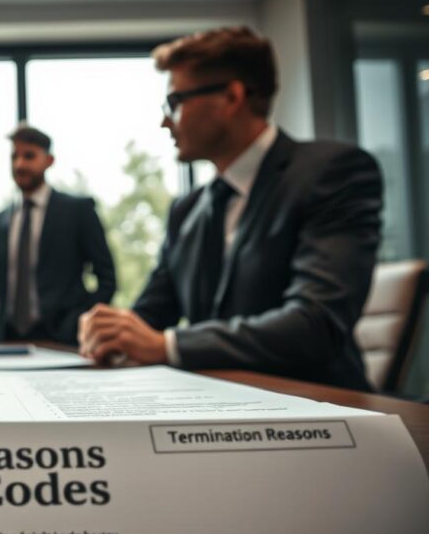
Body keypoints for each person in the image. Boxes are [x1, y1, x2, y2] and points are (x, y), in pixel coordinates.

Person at [77, 26, 383, 391]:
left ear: (232, 97)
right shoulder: (186, 210)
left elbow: (316, 324)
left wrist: (168, 345)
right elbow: (151, 316)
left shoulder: (333, 172)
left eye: (175, 102)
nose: (164, 121)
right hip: (217, 408)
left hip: (323, 411)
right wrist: (111, 330)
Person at [0, 125, 116, 345]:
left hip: (63, 339)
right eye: (14, 156)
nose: (20, 164)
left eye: (29, 156)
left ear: (49, 160)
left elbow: (107, 278)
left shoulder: (78, 211)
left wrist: (80, 320)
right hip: (4, 342)